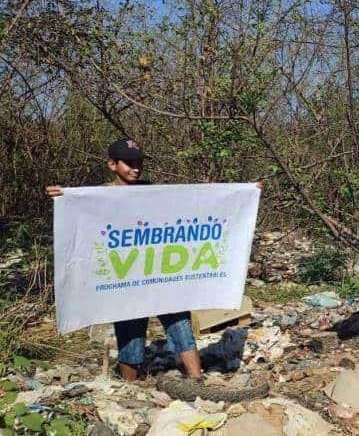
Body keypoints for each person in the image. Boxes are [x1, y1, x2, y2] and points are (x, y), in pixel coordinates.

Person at [46, 138, 264, 382]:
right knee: (131, 336)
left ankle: (197, 380)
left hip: (161, 276)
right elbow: (82, 218)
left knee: (180, 325)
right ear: (112, 165)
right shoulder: (99, 195)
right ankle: (129, 388)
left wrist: (245, 192)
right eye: (128, 163)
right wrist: (63, 197)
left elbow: (197, 202)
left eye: (138, 162)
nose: (135, 167)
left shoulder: (153, 192)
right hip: (126, 279)